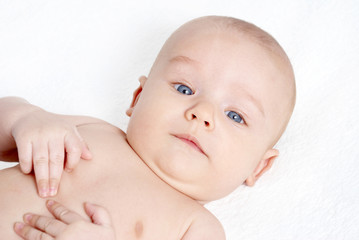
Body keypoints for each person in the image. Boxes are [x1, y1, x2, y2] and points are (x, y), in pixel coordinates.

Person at [0, 15, 296, 239]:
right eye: (184, 88)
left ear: (258, 167)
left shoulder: (196, 227)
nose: (202, 113)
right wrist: (26, 118)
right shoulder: (93, 132)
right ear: (138, 98)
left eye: (235, 116)